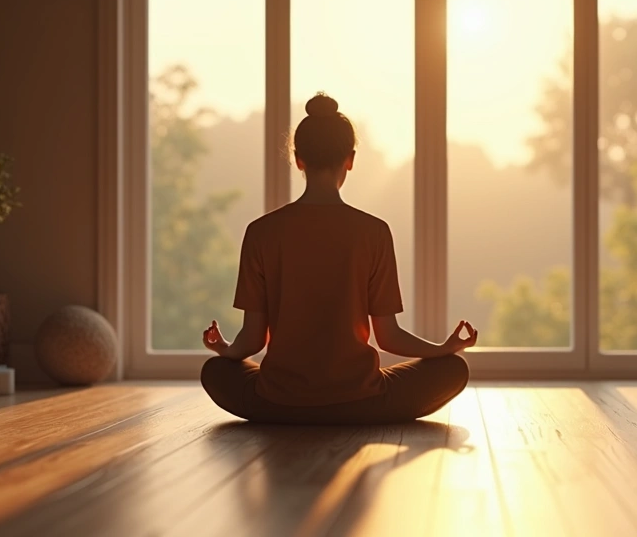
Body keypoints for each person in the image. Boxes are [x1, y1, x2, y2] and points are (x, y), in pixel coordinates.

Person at [199, 92, 477, 425]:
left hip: (279, 402)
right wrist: (443, 349)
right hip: (362, 401)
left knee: (215, 371)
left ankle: (293, 409)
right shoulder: (374, 232)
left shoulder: (261, 232)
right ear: (351, 159)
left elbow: (253, 339)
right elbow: (388, 336)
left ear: (298, 159)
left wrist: (225, 349)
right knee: (454, 369)